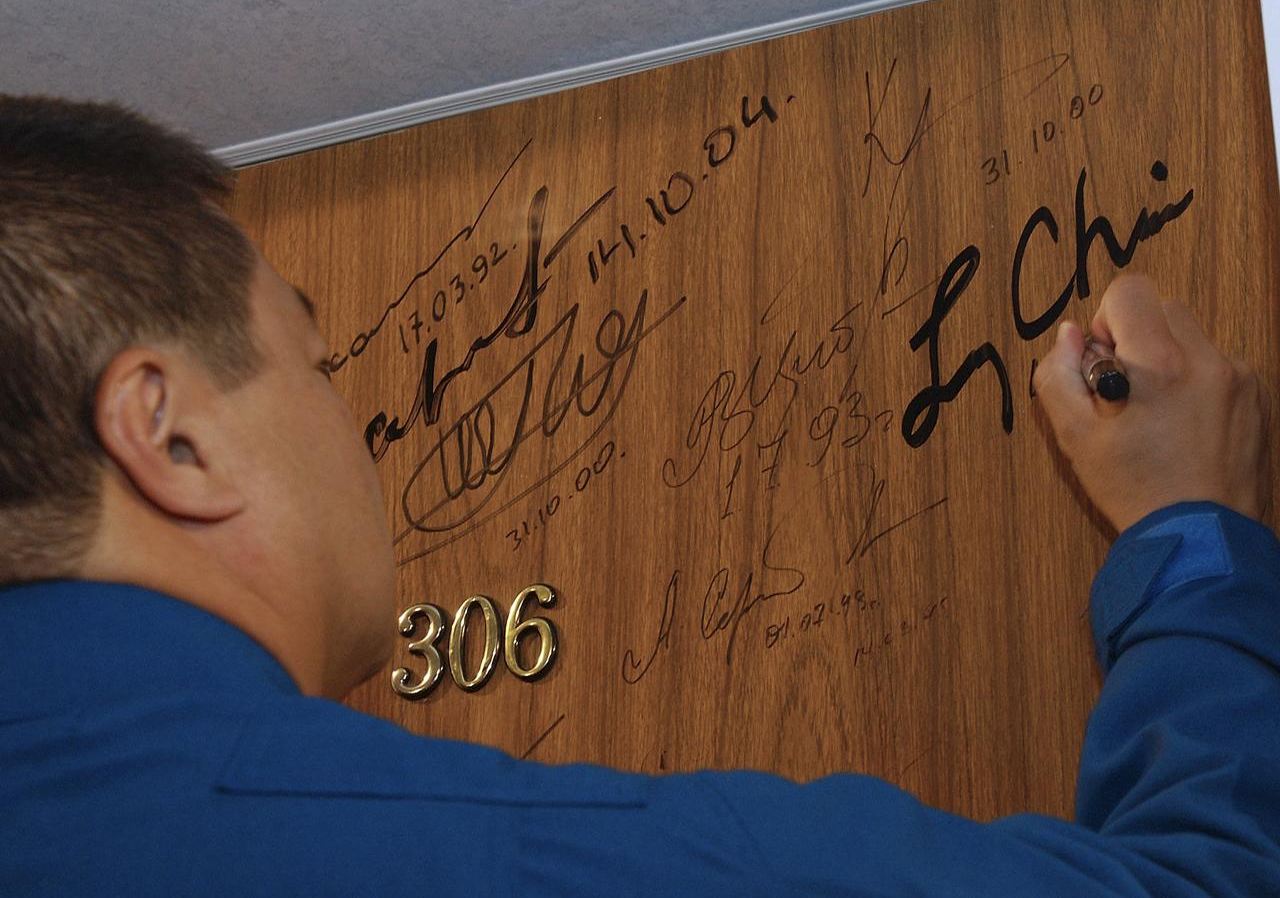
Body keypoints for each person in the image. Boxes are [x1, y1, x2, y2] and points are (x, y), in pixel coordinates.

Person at [0, 95, 1277, 897]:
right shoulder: (485, 857)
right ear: (169, 443)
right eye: (321, 365)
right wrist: (1189, 540)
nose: (358, 430)